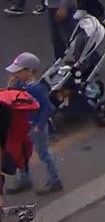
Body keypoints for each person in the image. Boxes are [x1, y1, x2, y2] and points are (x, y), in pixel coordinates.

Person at [4, 53, 62, 195]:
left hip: (36, 128)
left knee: (43, 154)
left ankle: (55, 180)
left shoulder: (36, 89)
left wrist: (38, 125)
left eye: (18, 71)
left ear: (29, 71)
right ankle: (25, 180)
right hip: (24, 126)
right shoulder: (20, 85)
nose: (15, 74)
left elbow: (48, 107)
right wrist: (10, 87)